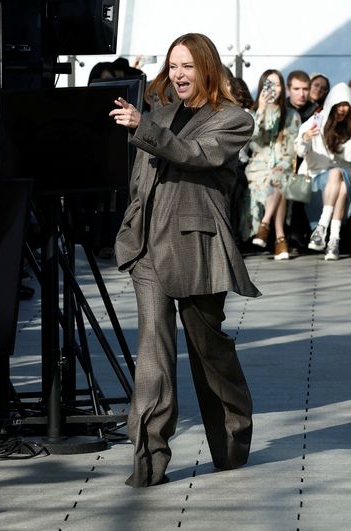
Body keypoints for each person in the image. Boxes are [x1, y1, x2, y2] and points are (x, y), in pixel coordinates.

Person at [110, 32, 259, 488]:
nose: (178, 74)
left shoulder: (233, 119)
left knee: (209, 353)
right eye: (173, 66)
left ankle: (232, 437)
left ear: (207, 69)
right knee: (153, 357)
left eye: (188, 66)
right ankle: (148, 461)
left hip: (197, 247)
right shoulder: (159, 114)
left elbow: (196, 155)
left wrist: (143, 129)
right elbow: (142, 177)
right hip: (148, 249)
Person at [294, 82, 351, 260]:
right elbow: (300, 151)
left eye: (346, 106)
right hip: (316, 175)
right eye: (339, 105)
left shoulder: (349, 125)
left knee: (337, 173)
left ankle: (321, 229)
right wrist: (306, 138)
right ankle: (333, 239)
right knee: (339, 181)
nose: (343, 110)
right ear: (331, 104)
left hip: (340, 173)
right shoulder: (316, 121)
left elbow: (347, 158)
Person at [243, 69, 301, 259]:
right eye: (269, 85)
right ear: (261, 88)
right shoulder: (251, 113)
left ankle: (265, 225)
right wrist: (260, 109)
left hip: (283, 165)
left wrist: (281, 164)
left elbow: (292, 148)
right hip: (259, 166)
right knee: (279, 181)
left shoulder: (291, 115)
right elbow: (253, 138)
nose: (273, 90)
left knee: (280, 177)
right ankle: (280, 239)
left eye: (277, 85)